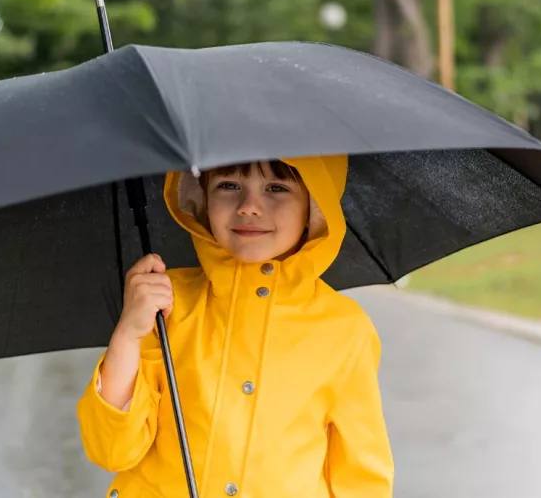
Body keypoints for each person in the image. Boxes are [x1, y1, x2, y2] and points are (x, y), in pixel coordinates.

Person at [76, 155, 394, 497]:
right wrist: (128, 334)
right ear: (201, 196)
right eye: (228, 186)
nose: (249, 207)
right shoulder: (164, 303)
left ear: (314, 207)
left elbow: (362, 477)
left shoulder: (344, 329)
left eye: (277, 187)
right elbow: (112, 450)